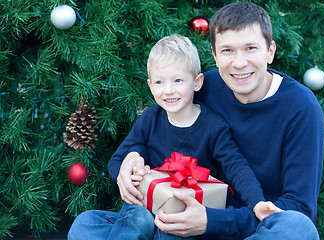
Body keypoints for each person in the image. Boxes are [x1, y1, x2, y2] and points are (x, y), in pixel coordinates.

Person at [68, 34, 281, 240]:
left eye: (178, 80)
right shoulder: (150, 118)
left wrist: (257, 203)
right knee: (85, 224)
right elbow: (118, 160)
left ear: (196, 82)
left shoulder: (214, 127)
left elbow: (236, 167)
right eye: (160, 83)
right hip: (141, 211)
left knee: (170, 230)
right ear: (151, 87)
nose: (169, 90)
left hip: (181, 218)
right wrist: (124, 178)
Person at [152, 2, 324, 240]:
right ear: (214, 54)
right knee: (89, 223)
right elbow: (157, 122)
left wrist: (212, 221)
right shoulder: (205, 87)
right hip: (191, 226)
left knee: (297, 228)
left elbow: (299, 208)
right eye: (227, 51)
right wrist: (132, 155)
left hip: (255, 232)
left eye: (250, 48)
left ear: (270, 51)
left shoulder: (300, 107)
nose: (239, 63)